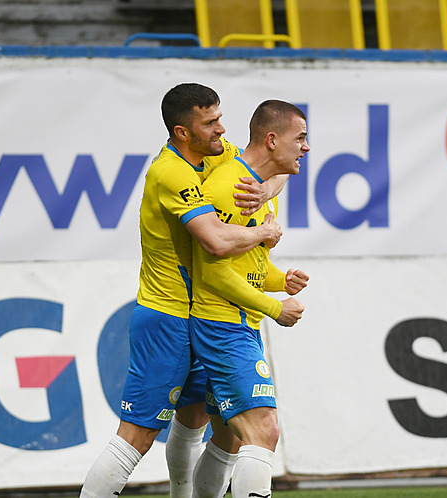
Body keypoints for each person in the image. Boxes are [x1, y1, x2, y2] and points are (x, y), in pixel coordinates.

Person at [80, 84, 288, 498]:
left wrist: (264, 189)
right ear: (181, 132)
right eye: (209, 123)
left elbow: (274, 165)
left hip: (200, 316)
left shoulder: (215, 154)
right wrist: (264, 232)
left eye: (219, 118)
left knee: (195, 418)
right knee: (135, 438)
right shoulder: (171, 171)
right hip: (166, 316)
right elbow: (214, 241)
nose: (221, 129)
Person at [189, 100, 310, 498]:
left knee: (229, 438)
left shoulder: (260, 190)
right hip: (222, 326)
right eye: (301, 138)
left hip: (239, 324)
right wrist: (275, 308)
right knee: (264, 429)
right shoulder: (231, 187)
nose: (306, 147)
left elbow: (248, 265)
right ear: (273, 140)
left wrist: (280, 280)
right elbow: (214, 270)